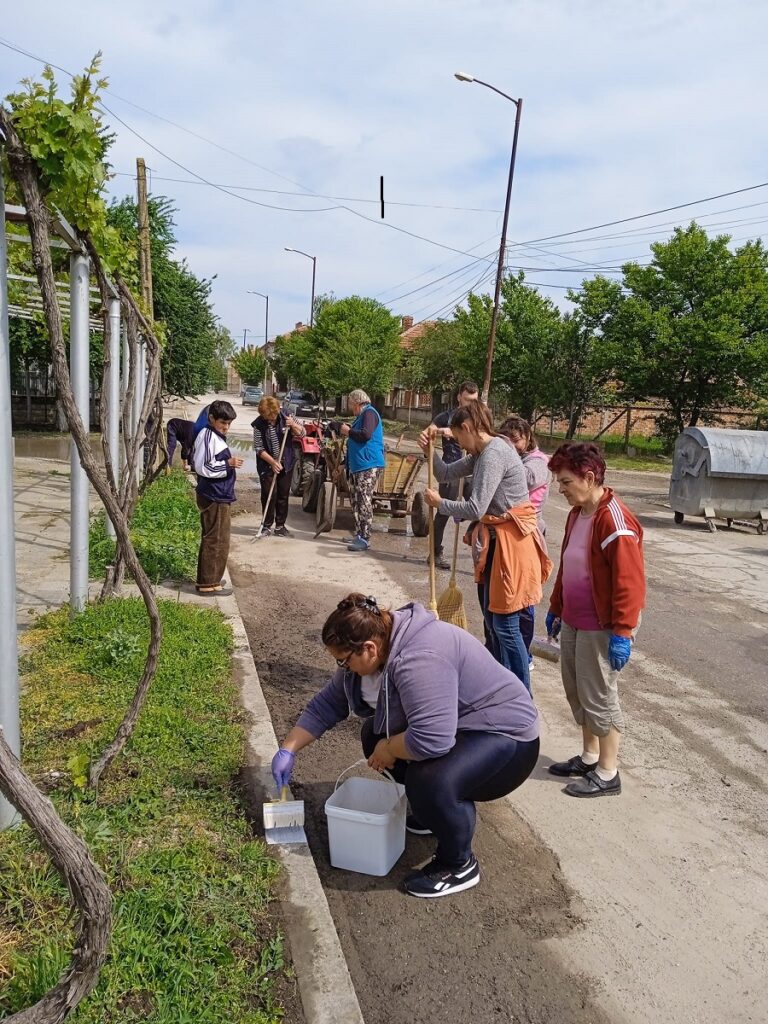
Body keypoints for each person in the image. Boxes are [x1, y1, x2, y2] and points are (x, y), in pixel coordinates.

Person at [271, 593, 540, 898]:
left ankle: (458, 864)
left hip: (507, 739)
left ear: (369, 649)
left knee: (430, 781)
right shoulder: (369, 645)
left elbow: (433, 739)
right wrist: (288, 748)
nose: (342, 667)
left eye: (344, 661)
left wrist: (388, 750)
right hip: (459, 731)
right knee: (373, 734)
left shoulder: (419, 657)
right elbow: (329, 704)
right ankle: (430, 814)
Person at [419, 402, 551, 693]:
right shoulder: (480, 452)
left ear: (467, 429)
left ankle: (520, 694)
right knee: (493, 622)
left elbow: (476, 507)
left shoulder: (493, 454)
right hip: (496, 543)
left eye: (457, 435)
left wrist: (440, 504)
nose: (458, 441)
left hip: (513, 544)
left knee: (505, 625)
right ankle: (503, 688)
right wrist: (430, 450)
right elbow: (444, 474)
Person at [545, 442, 645, 798]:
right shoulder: (577, 513)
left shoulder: (614, 520)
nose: (561, 489)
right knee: (577, 690)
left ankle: (608, 771)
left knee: (600, 694)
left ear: (589, 477)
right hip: (574, 618)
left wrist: (622, 631)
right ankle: (589, 756)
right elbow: (569, 564)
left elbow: (629, 582)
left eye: (566, 482)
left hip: (601, 625)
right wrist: (556, 606)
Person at [498, 416, 551, 668]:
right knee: (509, 596)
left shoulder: (538, 462)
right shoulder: (516, 459)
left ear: (528, 438)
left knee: (525, 599)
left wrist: (502, 457)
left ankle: (525, 653)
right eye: (507, 441)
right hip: (509, 531)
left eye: (516, 440)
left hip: (530, 530)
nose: (513, 445)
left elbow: (527, 480)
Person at [418, 380, 479, 570]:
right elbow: (428, 432)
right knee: (443, 511)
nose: (471, 404)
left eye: (474, 400)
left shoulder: (478, 416)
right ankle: (435, 553)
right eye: (468, 399)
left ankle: (479, 546)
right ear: (459, 396)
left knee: (481, 510)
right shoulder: (446, 416)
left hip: (472, 468)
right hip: (451, 469)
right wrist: (438, 432)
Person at [191, 400, 243, 595]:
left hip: (220, 494)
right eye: (223, 423)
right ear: (211, 419)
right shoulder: (207, 436)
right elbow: (203, 467)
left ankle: (211, 578)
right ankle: (207, 583)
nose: (226, 427)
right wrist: (228, 464)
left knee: (220, 539)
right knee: (215, 539)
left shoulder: (214, 435)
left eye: (229, 424)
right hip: (214, 495)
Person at [252, 396, 306, 537]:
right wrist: (272, 462)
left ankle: (280, 526)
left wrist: (293, 425)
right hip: (267, 464)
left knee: (283, 494)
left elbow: (303, 433)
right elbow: (258, 448)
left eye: (272, 418)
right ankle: (266, 525)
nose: (270, 420)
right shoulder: (259, 424)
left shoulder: (286, 415)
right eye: (267, 418)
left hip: (286, 461)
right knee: (269, 493)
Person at [338, 389, 385, 552]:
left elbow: (365, 435)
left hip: (369, 464)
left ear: (358, 403)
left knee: (364, 498)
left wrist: (347, 431)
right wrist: (345, 463)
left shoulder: (370, 414)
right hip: (359, 465)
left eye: (352, 405)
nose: (351, 408)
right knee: (356, 500)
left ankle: (365, 538)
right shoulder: (360, 417)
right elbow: (354, 442)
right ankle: (359, 534)